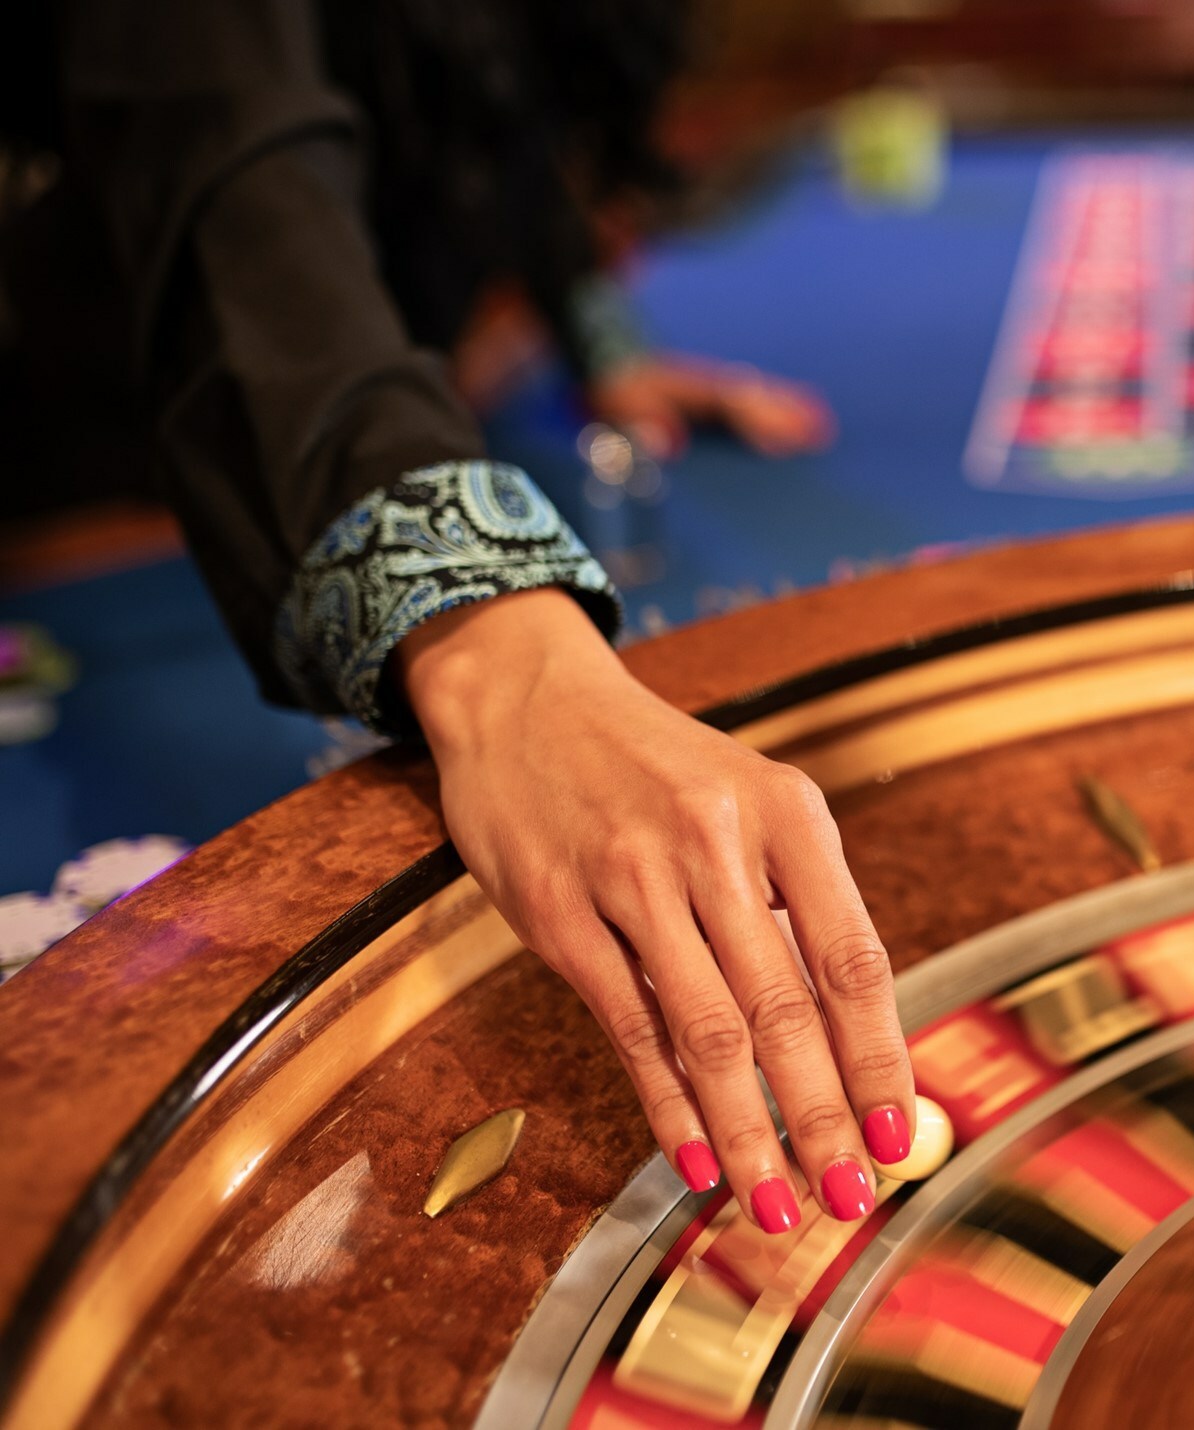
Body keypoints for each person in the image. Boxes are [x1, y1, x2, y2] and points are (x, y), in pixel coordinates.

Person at [0, 0, 907, 1237]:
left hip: (377, 395)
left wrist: (598, 342)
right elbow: (231, 166)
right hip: (116, 477)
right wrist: (497, 653)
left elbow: (501, 104)